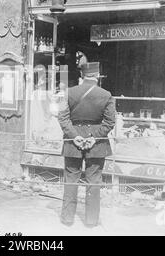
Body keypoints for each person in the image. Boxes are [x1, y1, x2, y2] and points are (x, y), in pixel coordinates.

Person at [57, 62, 116, 228]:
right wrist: (94, 138)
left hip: (72, 142)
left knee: (70, 179)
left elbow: (62, 118)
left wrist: (74, 136)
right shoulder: (106, 94)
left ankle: (67, 219)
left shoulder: (69, 93)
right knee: (94, 182)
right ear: (97, 76)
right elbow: (110, 121)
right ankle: (91, 221)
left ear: (81, 77)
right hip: (96, 144)